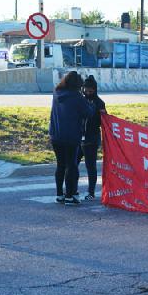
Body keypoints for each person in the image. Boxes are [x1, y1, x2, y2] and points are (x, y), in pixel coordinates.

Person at [49, 71, 95, 205]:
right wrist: (91, 104)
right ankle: (70, 196)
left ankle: (59, 195)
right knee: (71, 165)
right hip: (71, 136)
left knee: (60, 165)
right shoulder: (76, 96)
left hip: (55, 135)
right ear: (77, 85)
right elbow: (88, 113)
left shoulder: (56, 93)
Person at [76, 75, 106, 201]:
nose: (88, 93)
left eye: (90, 91)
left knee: (91, 166)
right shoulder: (80, 100)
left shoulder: (99, 103)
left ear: (95, 90)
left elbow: (104, 122)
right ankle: (72, 189)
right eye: (86, 90)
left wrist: (103, 115)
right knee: (72, 165)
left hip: (91, 139)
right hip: (77, 138)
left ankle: (91, 192)